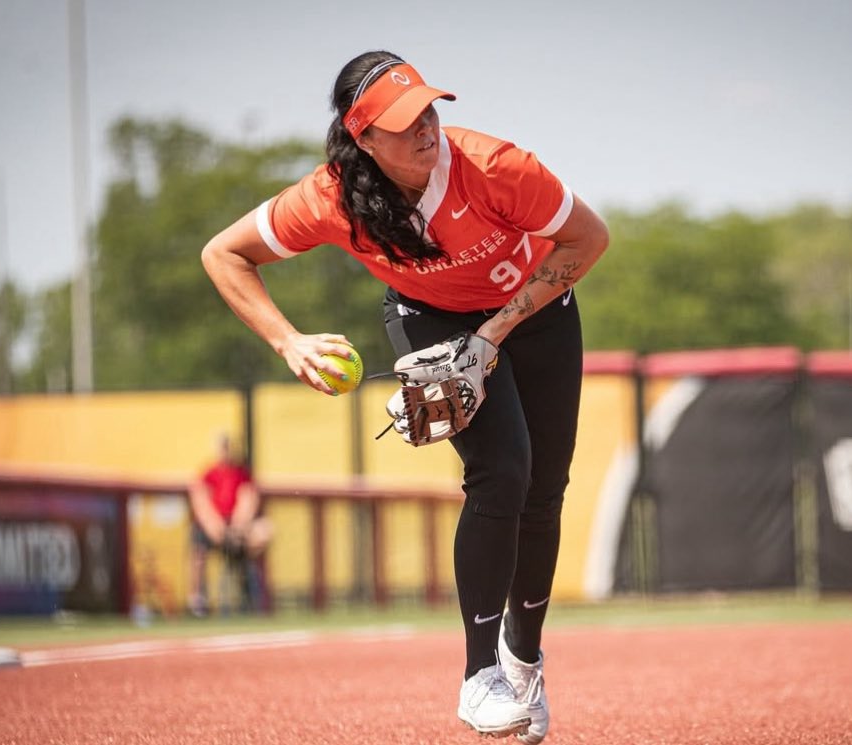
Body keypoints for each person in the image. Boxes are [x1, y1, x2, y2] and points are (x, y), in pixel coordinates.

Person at [201, 50, 609, 741]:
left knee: (544, 491)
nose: (424, 125)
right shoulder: (331, 196)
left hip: (534, 312)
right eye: (401, 119)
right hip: (431, 318)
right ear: (363, 136)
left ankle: (524, 655)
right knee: (501, 470)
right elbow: (224, 252)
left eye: (426, 107)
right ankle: (481, 675)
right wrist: (287, 341)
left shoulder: (496, 166)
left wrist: (495, 334)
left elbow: (589, 238)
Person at [187, 434, 272, 616]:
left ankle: (253, 599)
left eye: (228, 447)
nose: (226, 451)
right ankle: (197, 600)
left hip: (236, 528)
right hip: (213, 527)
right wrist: (217, 528)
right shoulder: (209, 473)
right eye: (222, 447)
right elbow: (201, 502)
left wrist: (237, 527)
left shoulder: (242, 474)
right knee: (197, 548)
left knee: (263, 532)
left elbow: (248, 500)